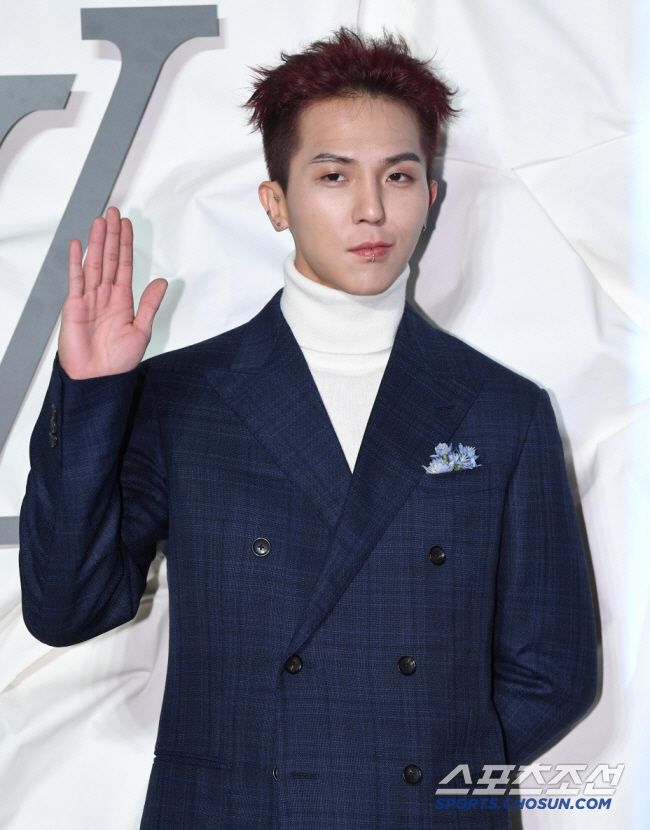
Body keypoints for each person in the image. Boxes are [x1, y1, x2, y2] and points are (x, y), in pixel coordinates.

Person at [19, 26, 598, 830]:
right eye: (333, 175)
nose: (371, 209)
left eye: (399, 175)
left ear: (431, 196)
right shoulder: (182, 397)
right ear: (276, 202)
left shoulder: (504, 410)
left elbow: (554, 672)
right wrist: (91, 392)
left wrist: (424, 786)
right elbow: (67, 609)